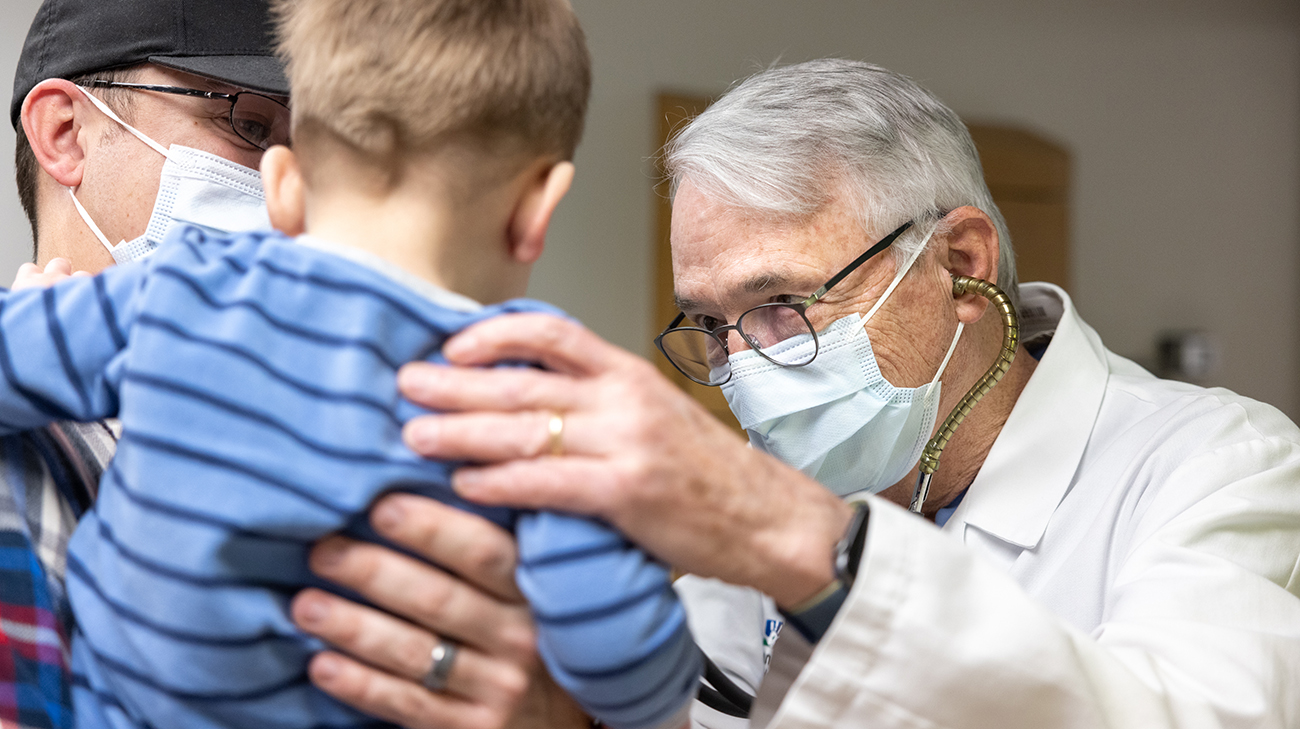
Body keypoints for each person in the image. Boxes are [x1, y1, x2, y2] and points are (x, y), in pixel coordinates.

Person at [393, 59, 1300, 728]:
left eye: (782, 305)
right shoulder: (772, 511)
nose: (744, 367)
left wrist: (805, 546)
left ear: (959, 263)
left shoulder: (1215, 465)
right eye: (711, 325)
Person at [2, 0, 703, 728]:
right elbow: (632, 662)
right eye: (246, 122)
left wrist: (33, 324)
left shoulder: (187, 288)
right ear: (537, 211)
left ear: (286, 189)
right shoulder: (531, 394)